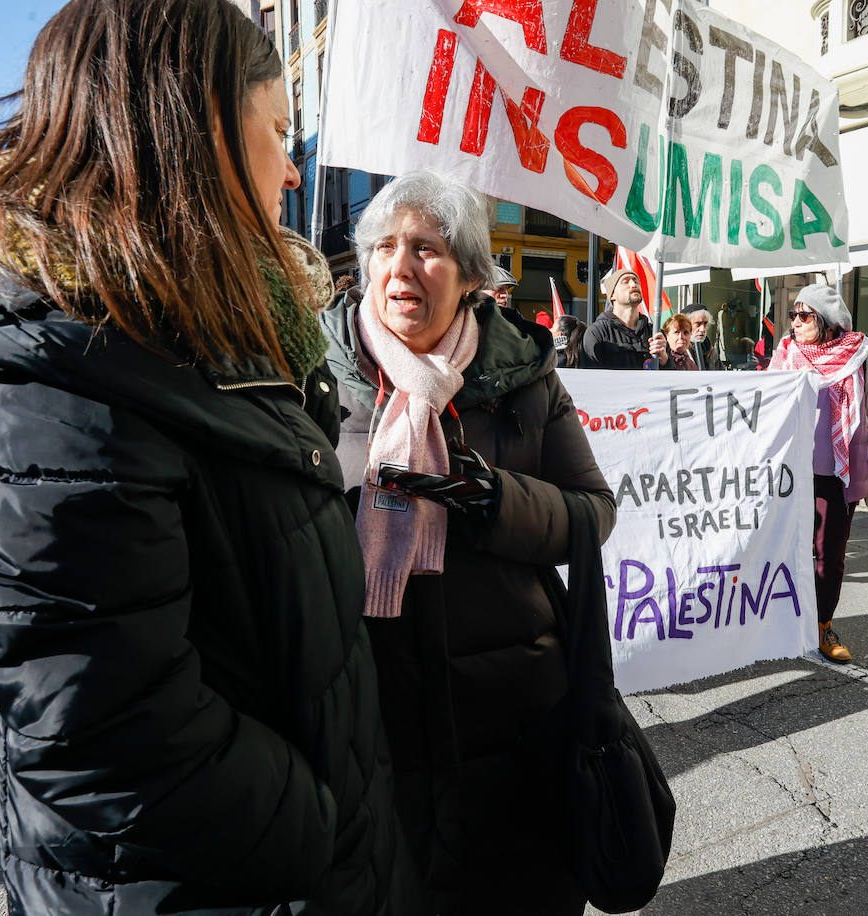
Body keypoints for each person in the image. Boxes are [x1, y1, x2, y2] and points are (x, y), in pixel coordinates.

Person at [0, 1, 400, 912]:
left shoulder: (205, 332)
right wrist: (318, 825)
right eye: (280, 130)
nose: (293, 170)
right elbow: (108, 731)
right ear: (198, 128)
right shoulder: (66, 387)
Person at [319, 170, 616, 915]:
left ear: (474, 277)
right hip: (370, 719)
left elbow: (594, 510)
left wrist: (494, 501)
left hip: (516, 717)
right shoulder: (314, 379)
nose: (400, 267)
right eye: (384, 246)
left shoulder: (526, 375)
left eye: (426, 248)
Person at [768, 284, 868, 663]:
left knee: (829, 556)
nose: (796, 323)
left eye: (805, 316)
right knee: (784, 551)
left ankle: (822, 624)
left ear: (828, 321)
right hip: (790, 474)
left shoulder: (862, 356)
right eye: (793, 315)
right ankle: (781, 622)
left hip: (838, 475)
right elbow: (759, 403)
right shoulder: (785, 355)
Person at [583, 265, 653, 369]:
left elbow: (671, 377)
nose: (634, 285)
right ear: (612, 295)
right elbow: (590, 376)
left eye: (636, 281)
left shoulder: (653, 332)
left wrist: (665, 359)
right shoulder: (597, 332)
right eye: (625, 281)